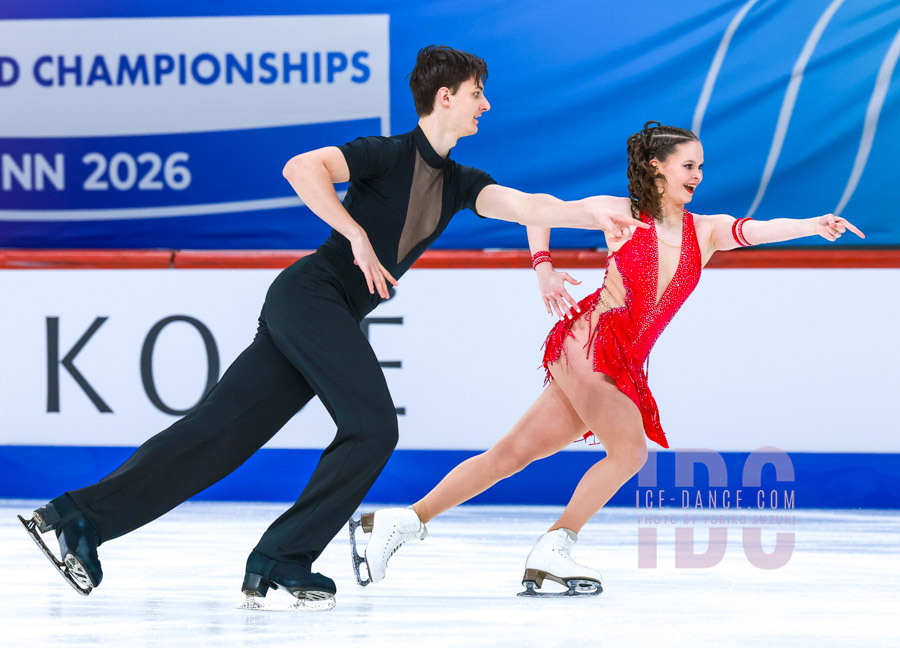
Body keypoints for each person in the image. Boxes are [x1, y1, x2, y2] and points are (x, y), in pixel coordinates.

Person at [17, 45, 645, 608]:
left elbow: (535, 207)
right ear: (445, 98)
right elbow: (300, 168)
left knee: (218, 435)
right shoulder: (385, 154)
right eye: (477, 93)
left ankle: (78, 517)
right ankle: (282, 557)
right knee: (372, 426)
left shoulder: (460, 184)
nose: (486, 105)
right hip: (309, 296)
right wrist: (355, 235)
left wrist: (604, 217)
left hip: (324, 311)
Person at [359, 121, 864, 596]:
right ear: (657, 166)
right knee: (630, 454)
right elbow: (538, 211)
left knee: (510, 456)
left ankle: (400, 522)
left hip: (619, 363)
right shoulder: (621, 212)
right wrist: (543, 268)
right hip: (591, 345)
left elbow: (758, 230)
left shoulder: (706, 231)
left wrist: (813, 224)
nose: (697, 176)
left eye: (701, 167)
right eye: (688, 165)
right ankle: (556, 547)